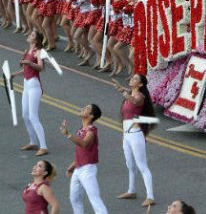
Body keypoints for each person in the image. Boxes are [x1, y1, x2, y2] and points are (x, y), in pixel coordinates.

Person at [113, 73, 156, 207]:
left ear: (141, 84)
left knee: (142, 165)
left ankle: (150, 196)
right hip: (127, 135)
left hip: (136, 134)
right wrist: (123, 134)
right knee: (130, 164)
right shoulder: (128, 96)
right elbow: (126, 116)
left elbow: (135, 101)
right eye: (132, 77)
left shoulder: (140, 96)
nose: (132, 79)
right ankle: (132, 190)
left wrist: (122, 91)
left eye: (135, 78)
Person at [61, 104, 109, 214]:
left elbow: (84, 144)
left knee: (95, 199)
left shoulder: (91, 130)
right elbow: (82, 152)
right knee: (75, 199)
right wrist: (72, 166)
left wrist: (68, 134)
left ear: (91, 116)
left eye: (87, 108)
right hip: (78, 169)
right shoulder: (81, 130)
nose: (83, 108)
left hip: (88, 170)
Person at [11, 31, 50, 157]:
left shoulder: (38, 52)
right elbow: (26, 69)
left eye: (32, 35)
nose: (29, 35)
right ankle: (33, 141)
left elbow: (40, 68)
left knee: (33, 116)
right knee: (25, 115)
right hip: (26, 85)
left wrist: (30, 63)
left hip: (34, 86)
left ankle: (44, 146)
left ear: (37, 40)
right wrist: (15, 75)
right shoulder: (27, 51)